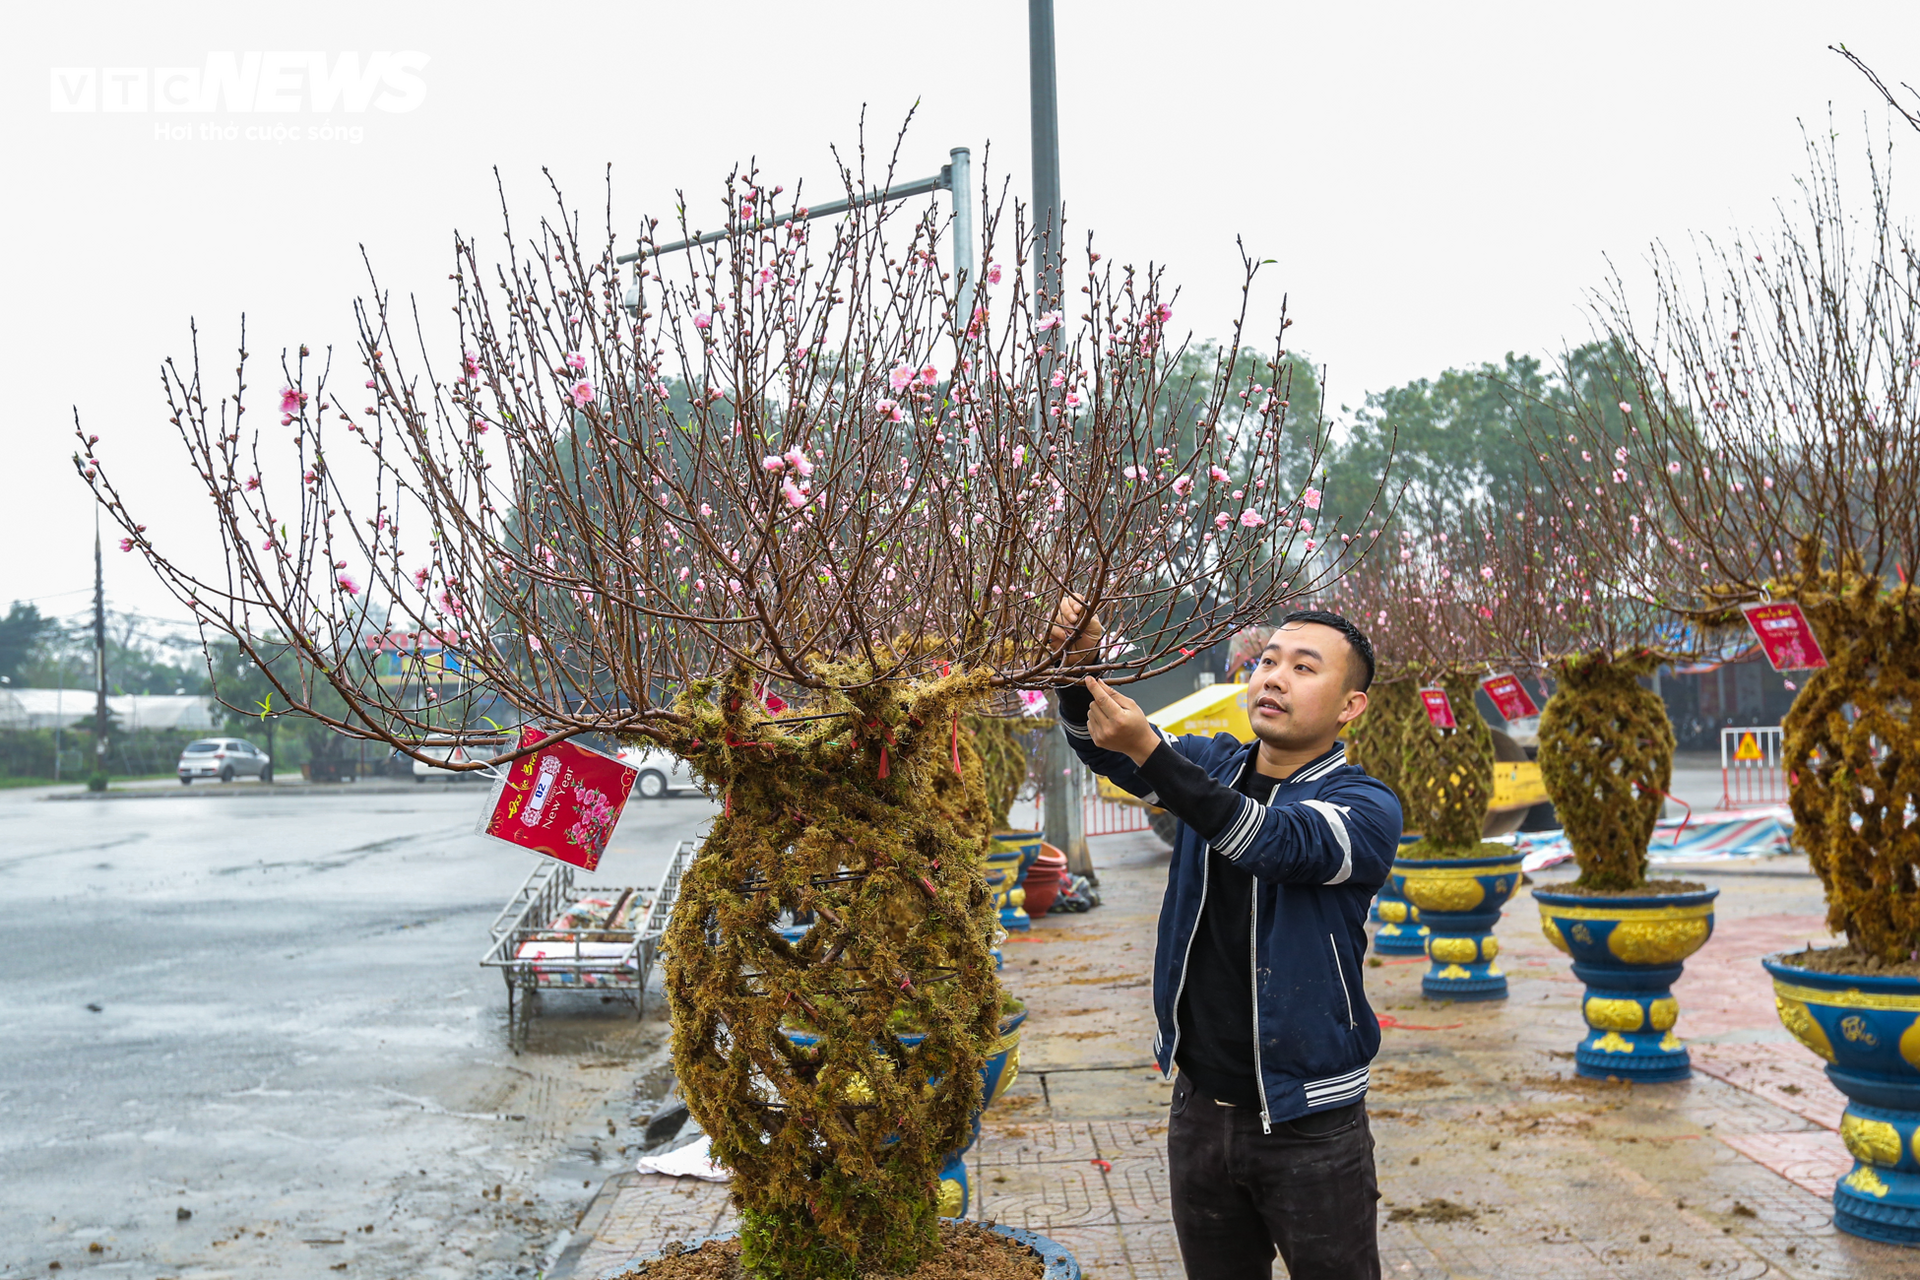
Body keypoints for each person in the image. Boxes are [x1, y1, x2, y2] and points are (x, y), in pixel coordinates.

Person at [1048, 602, 1403, 1280]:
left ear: (1351, 705)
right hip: (1201, 1108)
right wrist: (1075, 669)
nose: (1274, 676)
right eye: (1267, 660)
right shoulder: (1211, 763)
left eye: (1304, 668)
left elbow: (1269, 842)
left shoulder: (1367, 807)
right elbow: (1104, 746)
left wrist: (1150, 750)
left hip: (1311, 1119)